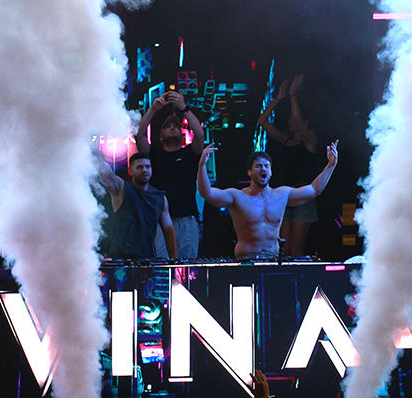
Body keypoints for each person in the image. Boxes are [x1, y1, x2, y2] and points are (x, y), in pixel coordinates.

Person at [197, 141, 338, 261]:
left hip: (272, 260)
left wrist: (331, 165)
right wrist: (202, 165)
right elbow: (206, 193)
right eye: (258, 166)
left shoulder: (282, 194)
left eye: (266, 166)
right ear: (250, 172)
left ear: (271, 171)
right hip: (245, 261)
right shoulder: (237, 196)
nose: (263, 169)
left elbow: (314, 190)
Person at [257, 75, 326, 257]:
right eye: (290, 118)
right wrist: (279, 98)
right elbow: (262, 121)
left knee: (296, 250)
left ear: (305, 122)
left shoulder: (310, 140)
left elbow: (297, 117)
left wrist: (293, 96)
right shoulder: (286, 139)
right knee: (283, 249)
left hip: (303, 195)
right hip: (284, 194)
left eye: (296, 118)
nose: (291, 119)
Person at [138, 89, 206, 262]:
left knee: (188, 268)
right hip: (161, 220)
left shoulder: (189, 154)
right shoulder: (154, 154)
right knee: (162, 266)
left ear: (182, 134)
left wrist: (184, 107)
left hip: (187, 219)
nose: (172, 128)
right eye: (167, 126)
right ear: (160, 136)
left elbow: (199, 135)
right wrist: (153, 109)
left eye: (176, 126)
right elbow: (139, 135)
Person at [97, 152, 177, 260]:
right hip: (121, 260)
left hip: (147, 260)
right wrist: (95, 153)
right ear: (131, 171)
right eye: (139, 167)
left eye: (147, 167)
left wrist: (173, 260)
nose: (144, 170)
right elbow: (107, 175)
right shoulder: (122, 189)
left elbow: (168, 230)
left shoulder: (160, 198)